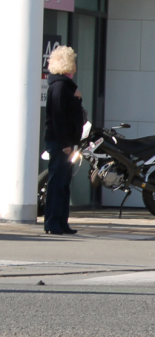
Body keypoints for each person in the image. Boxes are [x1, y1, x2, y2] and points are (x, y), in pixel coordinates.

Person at [43, 45, 85, 236]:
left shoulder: (65, 86)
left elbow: (72, 114)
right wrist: (65, 143)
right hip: (62, 143)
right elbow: (58, 117)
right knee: (57, 183)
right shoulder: (60, 86)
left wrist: (77, 99)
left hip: (67, 142)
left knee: (64, 183)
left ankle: (61, 221)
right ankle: (52, 222)